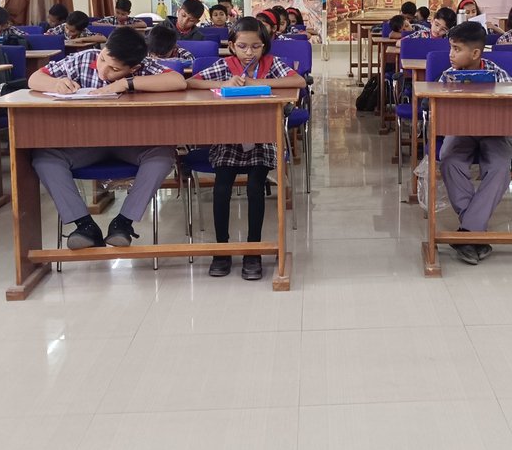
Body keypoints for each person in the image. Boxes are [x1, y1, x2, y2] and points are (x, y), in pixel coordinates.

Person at [29, 27, 186, 249]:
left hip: (131, 144)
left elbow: (178, 81)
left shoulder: (143, 68)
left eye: (114, 70)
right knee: (44, 158)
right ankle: (84, 225)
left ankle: (123, 223)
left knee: (163, 155)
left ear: (134, 68)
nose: (104, 72)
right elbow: (35, 78)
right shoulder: (83, 59)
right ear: (103, 49)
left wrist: (125, 83)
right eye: (103, 59)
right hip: (84, 144)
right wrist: (54, 84)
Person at [188, 17, 306, 280]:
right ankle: (222, 249)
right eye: (242, 46)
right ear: (232, 46)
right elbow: (192, 83)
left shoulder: (270, 64)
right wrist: (223, 84)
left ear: (264, 46)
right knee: (221, 188)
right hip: (228, 138)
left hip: (262, 139)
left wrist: (256, 84)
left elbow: (298, 82)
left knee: (255, 187)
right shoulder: (225, 65)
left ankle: (253, 249)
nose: (249, 52)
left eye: (255, 46)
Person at [438, 21, 512, 265]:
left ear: (476, 53)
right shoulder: (447, 76)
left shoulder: (499, 74)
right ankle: (474, 232)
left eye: (457, 49)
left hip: (495, 132)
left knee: (501, 166)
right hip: (461, 131)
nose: (451, 54)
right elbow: (437, 107)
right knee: (449, 160)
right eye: (450, 48)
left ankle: (467, 232)